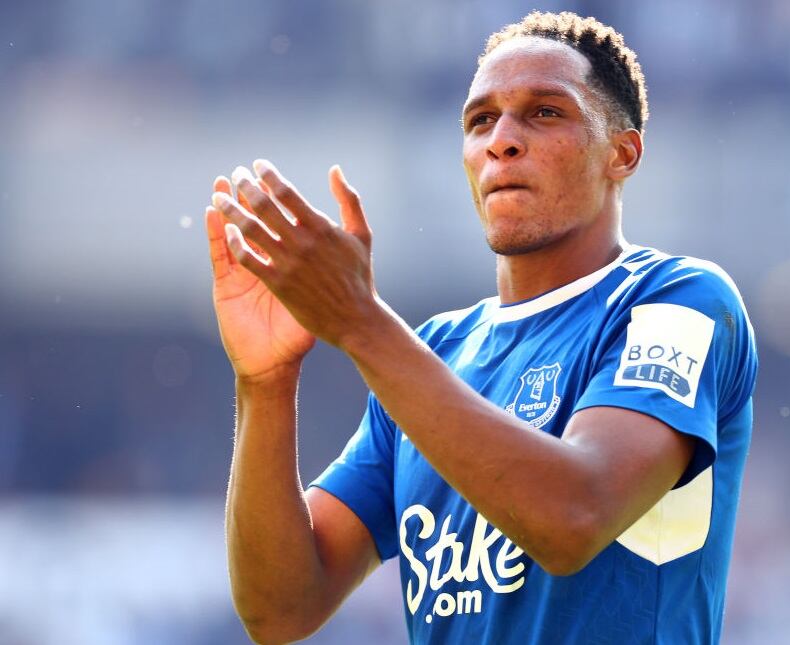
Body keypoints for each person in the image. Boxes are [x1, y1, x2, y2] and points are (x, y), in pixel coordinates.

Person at [205, 11, 757, 645]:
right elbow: (281, 609)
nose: (502, 140)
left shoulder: (676, 301)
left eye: (546, 112)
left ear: (623, 153)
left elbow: (574, 515)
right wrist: (265, 384)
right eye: (480, 121)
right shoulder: (437, 353)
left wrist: (360, 322)